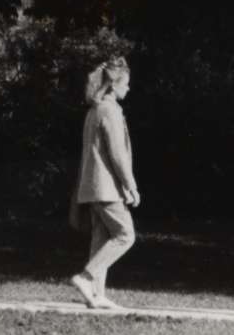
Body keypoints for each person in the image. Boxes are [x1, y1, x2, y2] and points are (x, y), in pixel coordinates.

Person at [68, 56, 140, 311]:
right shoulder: (109, 110)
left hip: (91, 186)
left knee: (100, 237)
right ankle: (86, 278)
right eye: (126, 83)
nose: (128, 88)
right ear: (113, 85)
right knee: (125, 235)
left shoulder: (94, 109)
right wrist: (131, 186)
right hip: (106, 186)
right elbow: (117, 154)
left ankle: (96, 294)